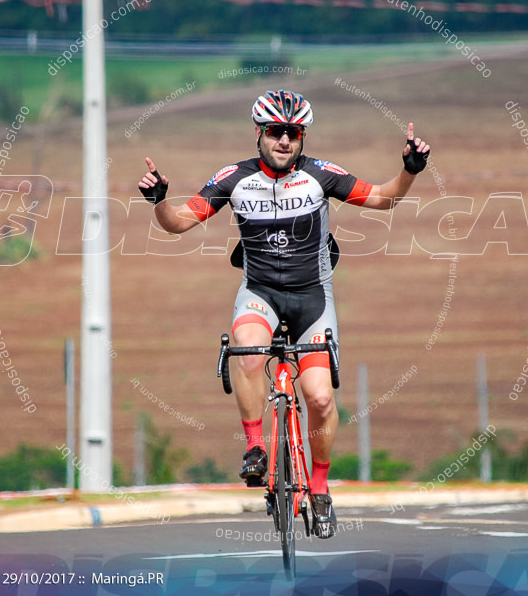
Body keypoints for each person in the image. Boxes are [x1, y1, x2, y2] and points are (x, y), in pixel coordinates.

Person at [137, 89, 430, 538]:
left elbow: (383, 200)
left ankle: (318, 484)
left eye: (293, 133)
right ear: (259, 133)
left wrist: (408, 171)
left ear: (302, 136)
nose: (284, 141)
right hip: (261, 293)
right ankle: (255, 448)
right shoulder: (234, 178)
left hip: (313, 297)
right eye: (275, 132)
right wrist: (159, 201)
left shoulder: (321, 175)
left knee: (319, 398)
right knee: (247, 350)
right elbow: (178, 223)